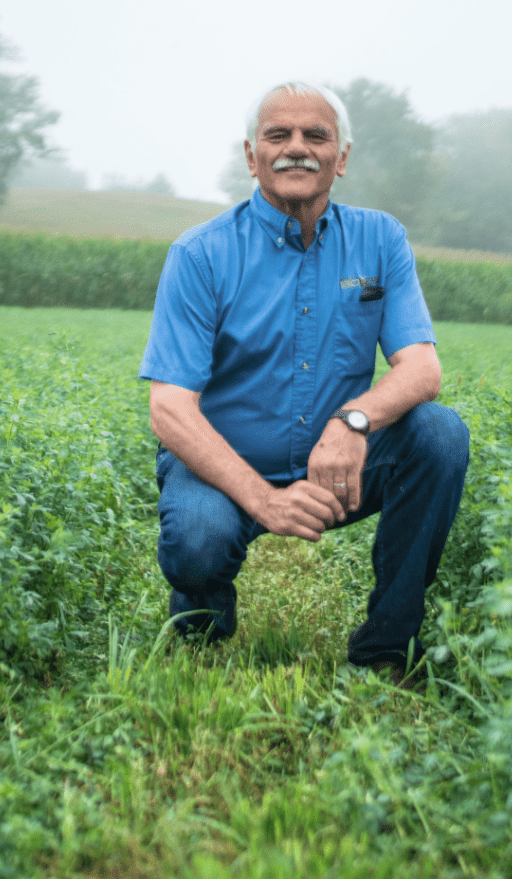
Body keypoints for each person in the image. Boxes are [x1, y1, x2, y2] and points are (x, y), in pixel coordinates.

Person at [138, 81, 469, 686]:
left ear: (341, 158)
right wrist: (262, 500)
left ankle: (388, 648)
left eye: (316, 136)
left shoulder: (380, 239)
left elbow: (422, 368)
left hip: (336, 471)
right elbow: (168, 408)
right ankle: (202, 629)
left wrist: (353, 422)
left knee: (439, 435)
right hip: (225, 465)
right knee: (199, 534)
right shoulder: (200, 254)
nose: (297, 148)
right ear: (251, 156)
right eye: (278, 135)